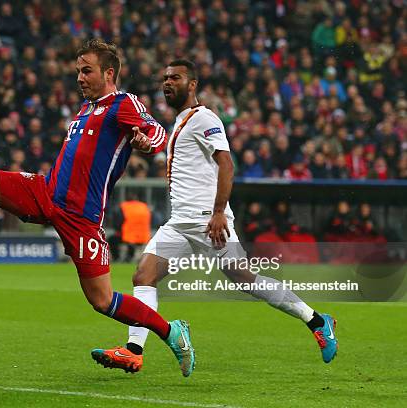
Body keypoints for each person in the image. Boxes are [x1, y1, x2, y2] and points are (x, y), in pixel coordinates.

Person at [0, 39, 195, 377]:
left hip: (81, 218)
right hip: (46, 192)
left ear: (109, 73)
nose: (80, 77)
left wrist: (147, 140)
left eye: (87, 71)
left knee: (102, 301)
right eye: (78, 71)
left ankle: (172, 332)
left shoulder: (122, 103)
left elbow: (155, 131)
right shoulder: (85, 109)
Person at [92, 59, 338, 373]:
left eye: (176, 78)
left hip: (209, 221)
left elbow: (226, 163)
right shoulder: (179, 124)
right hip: (180, 224)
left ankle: (317, 321)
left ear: (192, 84)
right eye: (165, 78)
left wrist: (220, 212)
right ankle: (133, 350)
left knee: (246, 280)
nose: (168, 82)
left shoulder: (204, 117)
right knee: (143, 276)